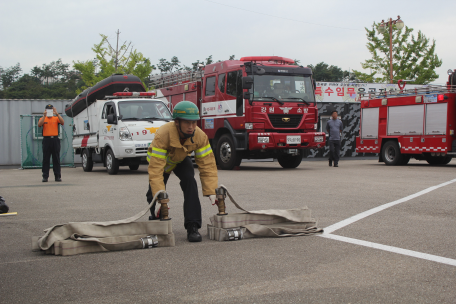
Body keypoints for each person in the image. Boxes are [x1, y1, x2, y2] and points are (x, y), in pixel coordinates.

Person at [146, 101, 218, 242]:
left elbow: (207, 165)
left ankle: (193, 226)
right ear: (177, 122)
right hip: (161, 163)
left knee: (190, 181)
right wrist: (159, 197)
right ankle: (157, 219)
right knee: (153, 195)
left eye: (194, 122)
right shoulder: (163, 134)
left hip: (180, 160)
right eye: (186, 122)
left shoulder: (200, 136)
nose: (191, 127)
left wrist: (211, 191)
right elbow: (156, 170)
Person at [37, 104, 64, 182]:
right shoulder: (42, 118)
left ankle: (57, 176)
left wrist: (57, 113)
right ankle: (45, 176)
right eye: (48, 110)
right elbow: (39, 124)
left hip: (55, 139)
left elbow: (62, 122)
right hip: (46, 140)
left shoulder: (56, 118)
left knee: (56, 158)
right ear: (45, 110)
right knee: (46, 159)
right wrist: (44, 116)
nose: (49, 111)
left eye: (51, 110)